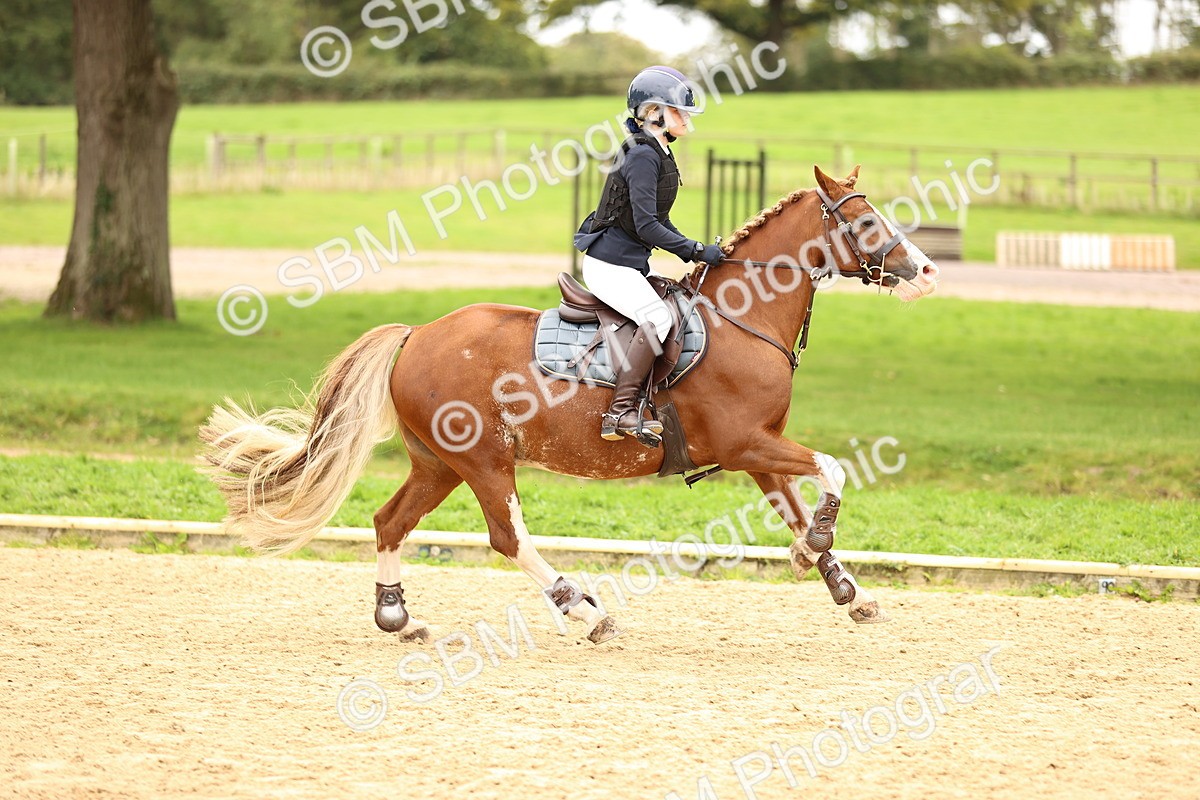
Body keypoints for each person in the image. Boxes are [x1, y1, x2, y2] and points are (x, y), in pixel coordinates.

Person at [574, 65, 725, 445]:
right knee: (657, 319)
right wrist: (694, 250)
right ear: (654, 113)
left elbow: (661, 220)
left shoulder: (659, 151)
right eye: (679, 111)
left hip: (627, 263)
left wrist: (698, 250)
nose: (686, 117)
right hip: (608, 266)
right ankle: (619, 412)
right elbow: (646, 227)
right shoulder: (642, 156)